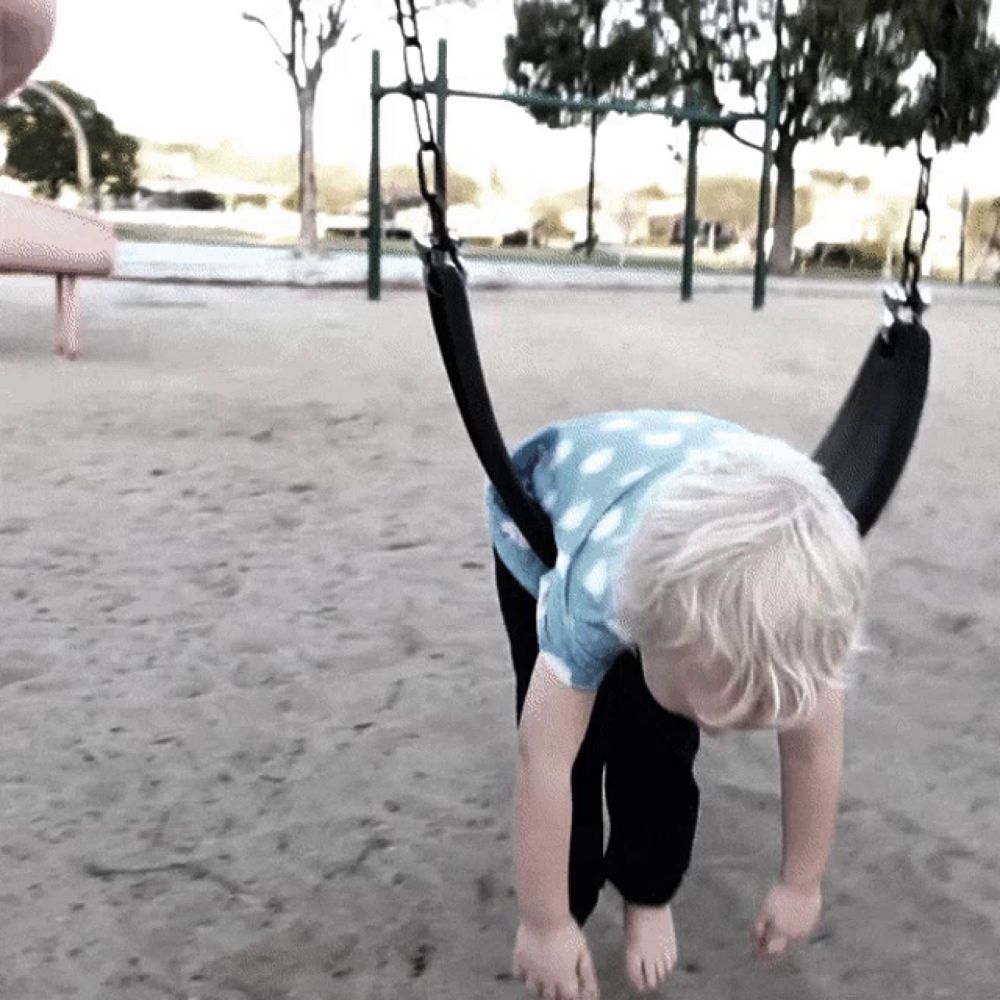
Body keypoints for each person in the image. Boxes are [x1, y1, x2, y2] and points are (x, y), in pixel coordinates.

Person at [486, 409, 869, 999]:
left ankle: (647, 889)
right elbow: (545, 764)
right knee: (578, 747)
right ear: (643, 632)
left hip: (721, 492)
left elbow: (813, 755)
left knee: (661, 749)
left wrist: (801, 883)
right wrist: (546, 923)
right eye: (708, 712)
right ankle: (574, 897)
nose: (717, 734)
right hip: (539, 512)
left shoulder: (808, 625)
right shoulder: (593, 603)